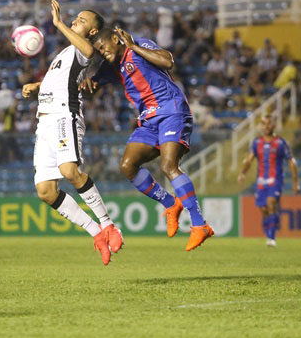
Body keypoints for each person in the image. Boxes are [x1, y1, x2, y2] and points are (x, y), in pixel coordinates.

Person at [88, 26, 214, 252]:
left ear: (116, 39)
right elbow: (92, 85)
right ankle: (170, 204)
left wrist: (133, 45)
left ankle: (199, 224)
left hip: (171, 109)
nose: (102, 52)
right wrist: (86, 84)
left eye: (103, 46)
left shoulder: (138, 45)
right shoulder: (111, 67)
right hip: (148, 119)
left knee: (168, 165)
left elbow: (167, 61)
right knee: (127, 165)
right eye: (98, 50)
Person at [21, 0, 122, 266]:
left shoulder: (81, 48)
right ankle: (96, 233)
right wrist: (38, 86)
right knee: (45, 191)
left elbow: (89, 51)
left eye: (82, 19)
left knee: (70, 171)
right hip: (44, 122)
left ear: (91, 31)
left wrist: (58, 23)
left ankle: (108, 224)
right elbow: (61, 80)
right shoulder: (65, 53)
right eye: (75, 17)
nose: (76, 19)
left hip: (65, 115)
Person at [236, 115, 299, 247]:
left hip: (275, 180)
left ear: (274, 125)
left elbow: (292, 162)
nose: (266, 127)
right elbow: (249, 160)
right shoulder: (257, 142)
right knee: (263, 209)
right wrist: (242, 173)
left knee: (271, 204)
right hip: (261, 181)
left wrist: (295, 182)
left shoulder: (281, 143)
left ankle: (271, 238)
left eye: (269, 124)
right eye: (264, 124)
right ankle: (270, 231)